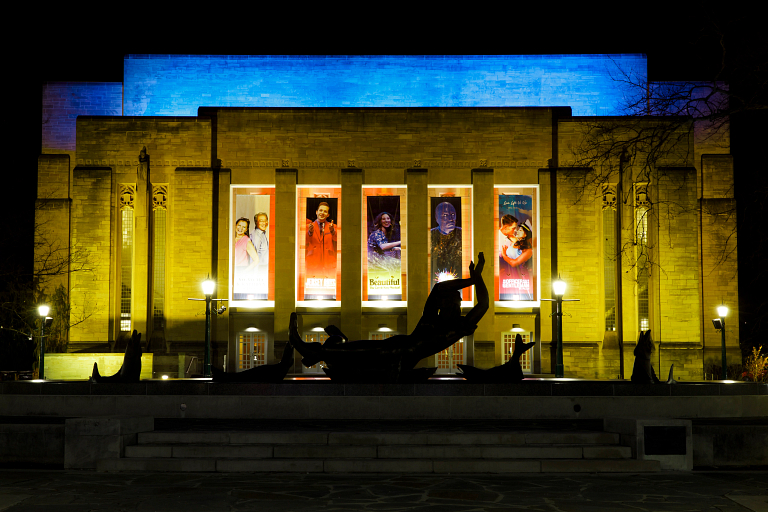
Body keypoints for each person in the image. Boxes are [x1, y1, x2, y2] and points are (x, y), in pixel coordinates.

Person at [290, 253, 489, 378]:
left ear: (457, 306)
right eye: (444, 303)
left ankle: (316, 352)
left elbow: (483, 304)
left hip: (403, 354)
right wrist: (472, 279)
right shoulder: (431, 319)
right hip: (398, 346)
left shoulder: (457, 328)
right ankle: (320, 351)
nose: (444, 306)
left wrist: (478, 279)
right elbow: (438, 288)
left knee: (370, 351)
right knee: (366, 347)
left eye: (449, 304)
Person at [430, 202, 462, 282]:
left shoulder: (464, 234)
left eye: (453, 214)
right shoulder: (430, 235)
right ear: (437, 218)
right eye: (445, 216)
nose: (451, 219)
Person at [306, 202, 337, 279]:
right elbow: (305, 241)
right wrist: (310, 232)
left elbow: (337, 239)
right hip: (312, 263)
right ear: (316, 212)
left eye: (325, 211)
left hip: (328, 263)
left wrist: (332, 231)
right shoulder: (308, 226)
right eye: (321, 210)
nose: (322, 213)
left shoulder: (333, 226)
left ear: (328, 215)